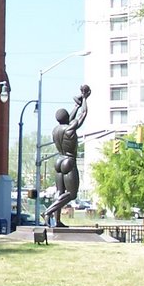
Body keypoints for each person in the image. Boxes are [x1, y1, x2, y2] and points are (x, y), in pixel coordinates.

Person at [43, 84, 91, 228]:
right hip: (69, 162)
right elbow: (83, 115)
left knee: (60, 192)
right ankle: (48, 211)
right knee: (72, 194)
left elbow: (70, 118)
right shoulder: (70, 128)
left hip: (59, 160)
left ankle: (57, 222)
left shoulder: (55, 129)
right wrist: (85, 99)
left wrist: (76, 106)